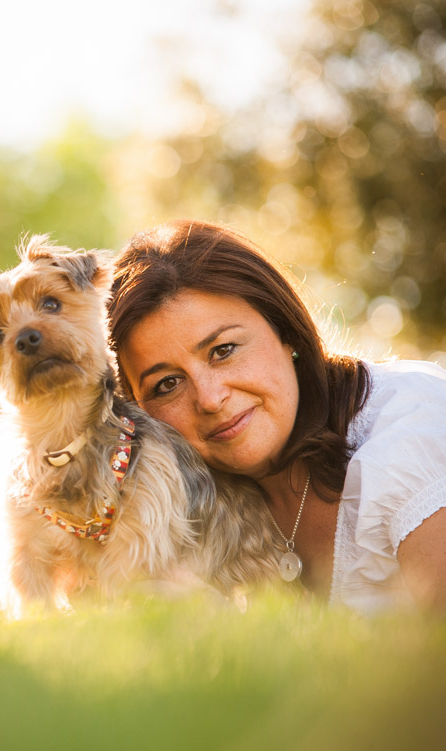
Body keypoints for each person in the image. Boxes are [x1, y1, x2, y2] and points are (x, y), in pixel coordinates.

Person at [108, 219, 446, 612]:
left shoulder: (413, 431)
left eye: (223, 350)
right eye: (167, 384)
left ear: (285, 332)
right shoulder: (175, 514)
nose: (210, 399)